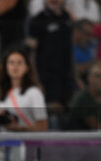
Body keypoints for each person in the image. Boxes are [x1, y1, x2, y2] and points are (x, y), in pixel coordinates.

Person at [28, 0, 74, 128]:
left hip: (66, 78)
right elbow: (31, 54)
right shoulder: (37, 20)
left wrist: (75, 77)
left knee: (66, 118)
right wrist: (36, 80)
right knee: (51, 118)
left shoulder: (67, 17)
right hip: (46, 78)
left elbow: (70, 50)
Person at [0, 47, 48, 132]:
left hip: (26, 143)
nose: (15, 66)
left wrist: (18, 128)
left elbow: (43, 126)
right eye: (11, 62)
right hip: (1, 143)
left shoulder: (34, 92)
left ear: (27, 67)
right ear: (6, 67)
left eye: (20, 63)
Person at [66, 62, 101, 130]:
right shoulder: (81, 98)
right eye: (97, 76)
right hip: (78, 139)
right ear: (89, 78)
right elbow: (96, 127)